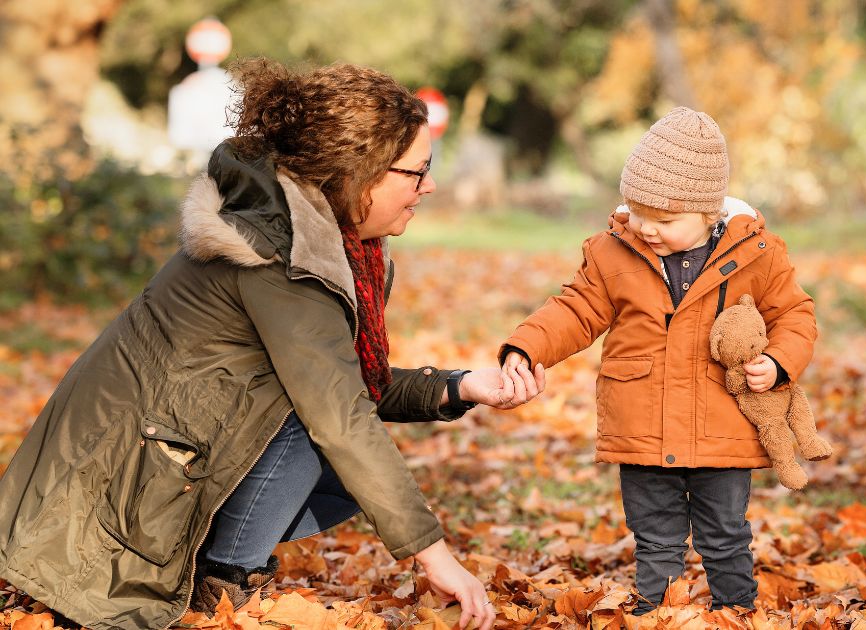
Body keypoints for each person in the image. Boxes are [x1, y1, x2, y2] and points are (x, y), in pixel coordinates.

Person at [0, 59, 544, 630]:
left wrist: (459, 387)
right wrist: (435, 558)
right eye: (416, 171)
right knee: (328, 427)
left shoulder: (322, 238)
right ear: (360, 174)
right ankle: (223, 575)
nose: (429, 186)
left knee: (337, 429)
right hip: (103, 501)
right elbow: (339, 412)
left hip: (149, 465)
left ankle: (221, 563)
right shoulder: (282, 260)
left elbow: (347, 379)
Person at [499, 107, 816, 614]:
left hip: (725, 426)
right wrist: (526, 345)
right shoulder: (613, 252)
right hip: (643, 425)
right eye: (636, 211)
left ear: (709, 212)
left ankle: (737, 612)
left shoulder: (757, 252)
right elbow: (576, 309)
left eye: (663, 220)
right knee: (655, 537)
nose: (645, 227)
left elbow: (796, 315)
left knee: (725, 536)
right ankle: (654, 613)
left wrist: (779, 362)